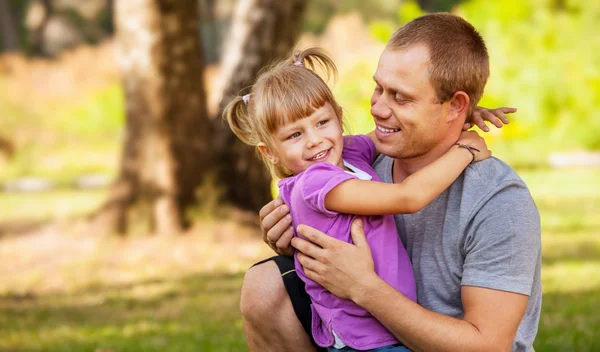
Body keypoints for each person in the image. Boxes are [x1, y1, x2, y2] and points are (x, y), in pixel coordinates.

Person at [243, 13, 541, 352]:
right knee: (264, 284)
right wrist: (296, 235)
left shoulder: (499, 200)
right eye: (378, 88)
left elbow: (487, 347)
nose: (378, 109)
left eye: (400, 97)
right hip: (366, 339)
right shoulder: (359, 164)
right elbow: (398, 194)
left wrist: (363, 287)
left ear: (455, 105)